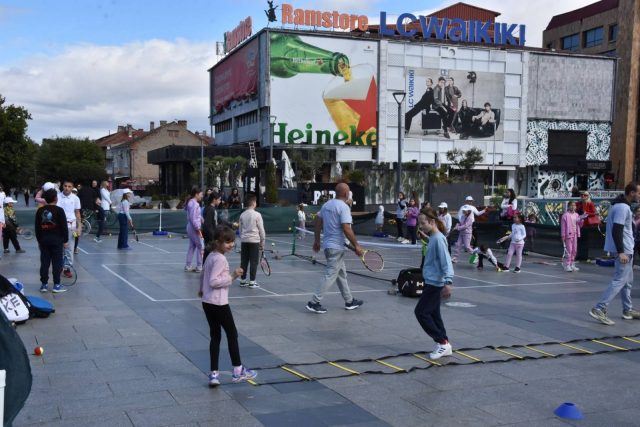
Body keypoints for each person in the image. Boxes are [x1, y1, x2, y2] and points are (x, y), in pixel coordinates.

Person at [199, 225, 257, 387]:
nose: (231, 245)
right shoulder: (220, 259)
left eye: (232, 241)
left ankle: (214, 374)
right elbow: (214, 281)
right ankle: (238, 370)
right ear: (218, 242)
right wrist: (233, 276)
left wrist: (201, 289)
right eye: (227, 242)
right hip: (219, 303)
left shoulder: (210, 255)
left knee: (215, 336)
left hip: (207, 302)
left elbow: (204, 274)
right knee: (232, 334)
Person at [306, 183, 364, 314]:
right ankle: (314, 302)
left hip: (328, 246)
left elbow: (318, 222)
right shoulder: (344, 207)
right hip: (336, 248)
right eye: (348, 192)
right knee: (330, 274)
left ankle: (349, 301)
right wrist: (356, 245)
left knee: (341, 274)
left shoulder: (326, 205)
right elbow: (346, 228)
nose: (349, 194)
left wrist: (317, 240)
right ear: (345, 193)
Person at [589, 183, 640, 325]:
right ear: (632, 193)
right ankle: (599, 308)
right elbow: (617, 230)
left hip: (626, 249)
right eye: (639, 193)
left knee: (627, 281)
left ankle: (627, 310)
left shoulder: (619, 205)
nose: (639, 196)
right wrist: (621, 252)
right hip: (624, 250)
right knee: (620, 280)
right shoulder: (623, 207)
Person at [414, 208, 454, 360]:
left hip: (435, 284)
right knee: (434, 314)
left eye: (423, 223)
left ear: (432, 222)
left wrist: (448, 282)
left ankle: (442, 342)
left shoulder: (438, 239)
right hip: (431, 281)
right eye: (419, 223)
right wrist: (426, 238)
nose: (421, 226)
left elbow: (446, 261)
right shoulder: (434, 237)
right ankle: (444, 344)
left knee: (421, 312)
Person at [35, 188, 69, 293]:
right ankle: (56, 285)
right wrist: (66, 240)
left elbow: (37, 228)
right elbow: (64, 227)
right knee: (57, 263)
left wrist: (39, 240)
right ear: (55, 198)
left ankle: (44, 285)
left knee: (44, 262)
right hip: (57, 240)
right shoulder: (59, 210)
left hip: (44, 240)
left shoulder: (40, 211)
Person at [238, 194, 265, 288]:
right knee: (254, 261)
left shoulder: (242, 215)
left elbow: (240, 229)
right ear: (253, 203)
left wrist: (242, 237)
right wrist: (263, 241)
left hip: (244, 241)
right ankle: (252, 282)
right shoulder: (257, 215)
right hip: (254, 241)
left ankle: (242, 280)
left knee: (244, 261)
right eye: (256, 202)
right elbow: (261, 230)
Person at [57, 180, 81, 276]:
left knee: (70, 248)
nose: (67, 188)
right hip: (58, 226)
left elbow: (77, 212)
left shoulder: (75, 198)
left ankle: (67, 268)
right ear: (62, 186)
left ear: (72, 188)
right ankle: (58, 266)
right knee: (58, 247)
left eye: (69, 186)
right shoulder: (57, 197)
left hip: (71, 226)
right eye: (65, 186)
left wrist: (79, 227)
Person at [561, 201, 585, 272]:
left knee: (574, 250)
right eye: (571, 205)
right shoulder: (565, 215)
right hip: (568, 235)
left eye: (574, 205)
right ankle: (567, 265)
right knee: (569, 250)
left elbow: (580, 225)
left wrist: (582, 219)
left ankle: (572, 264)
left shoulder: (577, 215)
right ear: (568, 206)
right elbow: (563, 227)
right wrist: (563, 235)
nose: (573, 207)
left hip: (575, 234)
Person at [184, 187, 204, 272]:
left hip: (190, 226)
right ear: (196, 194)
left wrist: (200, 217)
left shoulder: (191, 202)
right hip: (194, 227)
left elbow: (194, 215)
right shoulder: (195, 204)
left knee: (192, 246)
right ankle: (199, 266)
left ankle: (188, 265)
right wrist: (197, 227)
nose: (202, 196)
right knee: (200, 246)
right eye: (201, 194)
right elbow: (193, 217)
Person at [203, 192, 222, 262]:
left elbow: (219, 221)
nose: (220, 201)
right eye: (219, 199)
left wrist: (231, 225)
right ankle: (205, 267)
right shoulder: (210, 209)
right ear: (214, 199)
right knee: (208, 254)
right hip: (210, 237)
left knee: (209, 254)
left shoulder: (212, 209)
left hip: (211, 236)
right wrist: (213, 238)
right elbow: (207, 225)